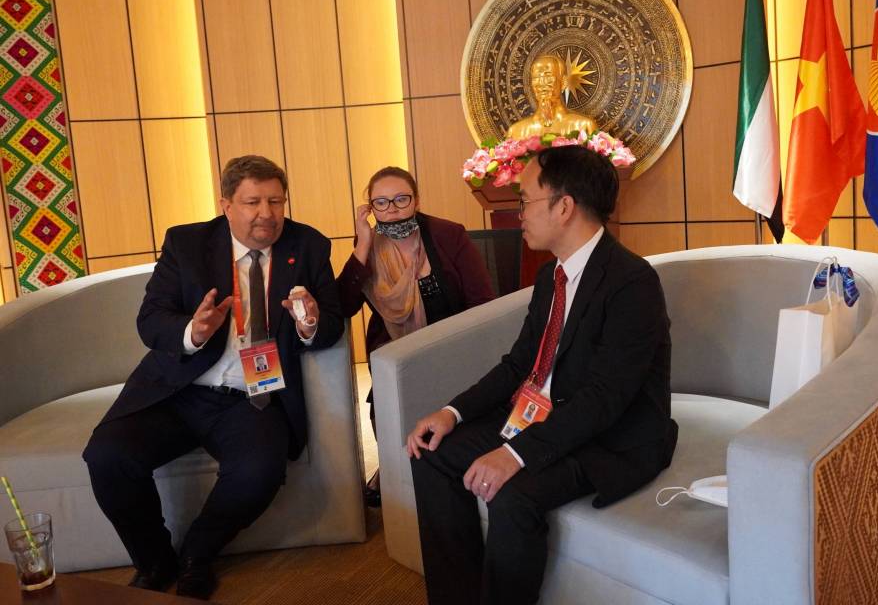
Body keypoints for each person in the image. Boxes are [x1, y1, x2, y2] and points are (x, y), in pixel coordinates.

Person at [406, 145, 677, 605]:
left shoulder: (632, 282)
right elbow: (519, 365)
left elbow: (604, 399)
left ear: (564, 206)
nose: (520, 215)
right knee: (433, 453)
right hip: (544, 418)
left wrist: (515, 454)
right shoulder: (552, 275)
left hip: (609, 437)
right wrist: (453, 412)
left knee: (513, 494)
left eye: (526, 200)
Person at [83, 155, 344, 600]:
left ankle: (197, 553)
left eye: (276, 201)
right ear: (226, 205)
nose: (267, 214)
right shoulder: (187, 243)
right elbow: (151, 319)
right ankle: (154, 561)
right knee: (107, 456)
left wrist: (310, 323)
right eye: (253, 202)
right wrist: (193, 331)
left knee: (260, 471)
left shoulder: (309, 246)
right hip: (180, 389)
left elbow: (331, 323)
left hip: (252, 395)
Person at [337, 166, 495, 506]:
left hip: (452, 347)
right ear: (370, 208)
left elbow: (482, 301)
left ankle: (437, 472)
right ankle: (396, 472)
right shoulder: (369, 244)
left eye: (401, 199)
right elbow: (343, 305)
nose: (392, 209)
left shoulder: (448, 235)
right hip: (397, 352)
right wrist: (362, 245)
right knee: (386, 407)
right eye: (381, 202)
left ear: (416, 200)